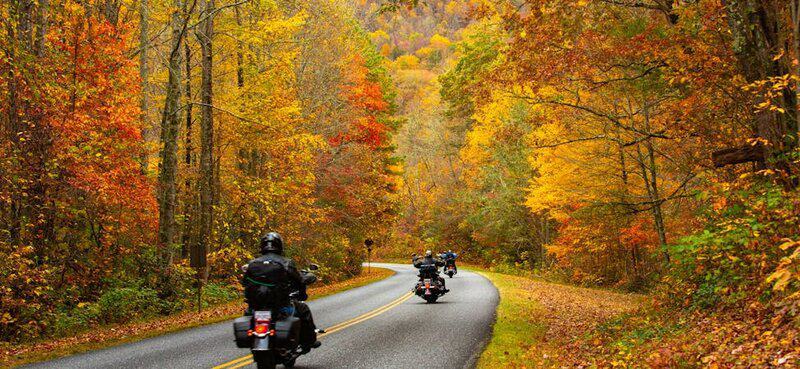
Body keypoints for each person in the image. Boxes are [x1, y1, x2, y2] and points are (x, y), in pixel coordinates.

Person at [242, 232, 320, 353]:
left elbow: (245, 283)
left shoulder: (252, 264)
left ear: (262, 246)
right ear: (280, 246)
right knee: (303, 309)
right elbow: (300, 279)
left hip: (255, 307)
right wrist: (310, 276)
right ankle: (309, 340)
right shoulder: (286, 263)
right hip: (280, 305)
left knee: (247, 314)